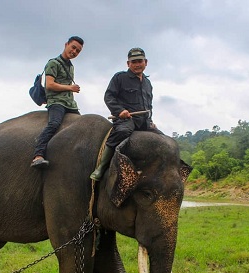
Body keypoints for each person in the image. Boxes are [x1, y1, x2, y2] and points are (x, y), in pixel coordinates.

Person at [90, 47, 163, 180]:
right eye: (133, 62)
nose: (137, 64)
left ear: (146, 62)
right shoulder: (120, 78)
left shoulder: (147, 83)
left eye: (139, 61)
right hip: (126, 120)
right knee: (122, 132)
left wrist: (150, 120)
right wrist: (120, 111)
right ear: (128, 64)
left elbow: (149, 105)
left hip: (144, 121)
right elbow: (109, 97)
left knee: (163, 140)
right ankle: (101, 167)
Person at [31, 36, 84, 168]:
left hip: (70, 104)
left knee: (82, 127)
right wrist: (70, 88)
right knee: (54, 124)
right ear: (66, 44)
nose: (74, 52)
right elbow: (49, 85)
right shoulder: (53, 63)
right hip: (56, 102)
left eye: (78, 51)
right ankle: (38, 154)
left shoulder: (71, 67)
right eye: (73, 48)